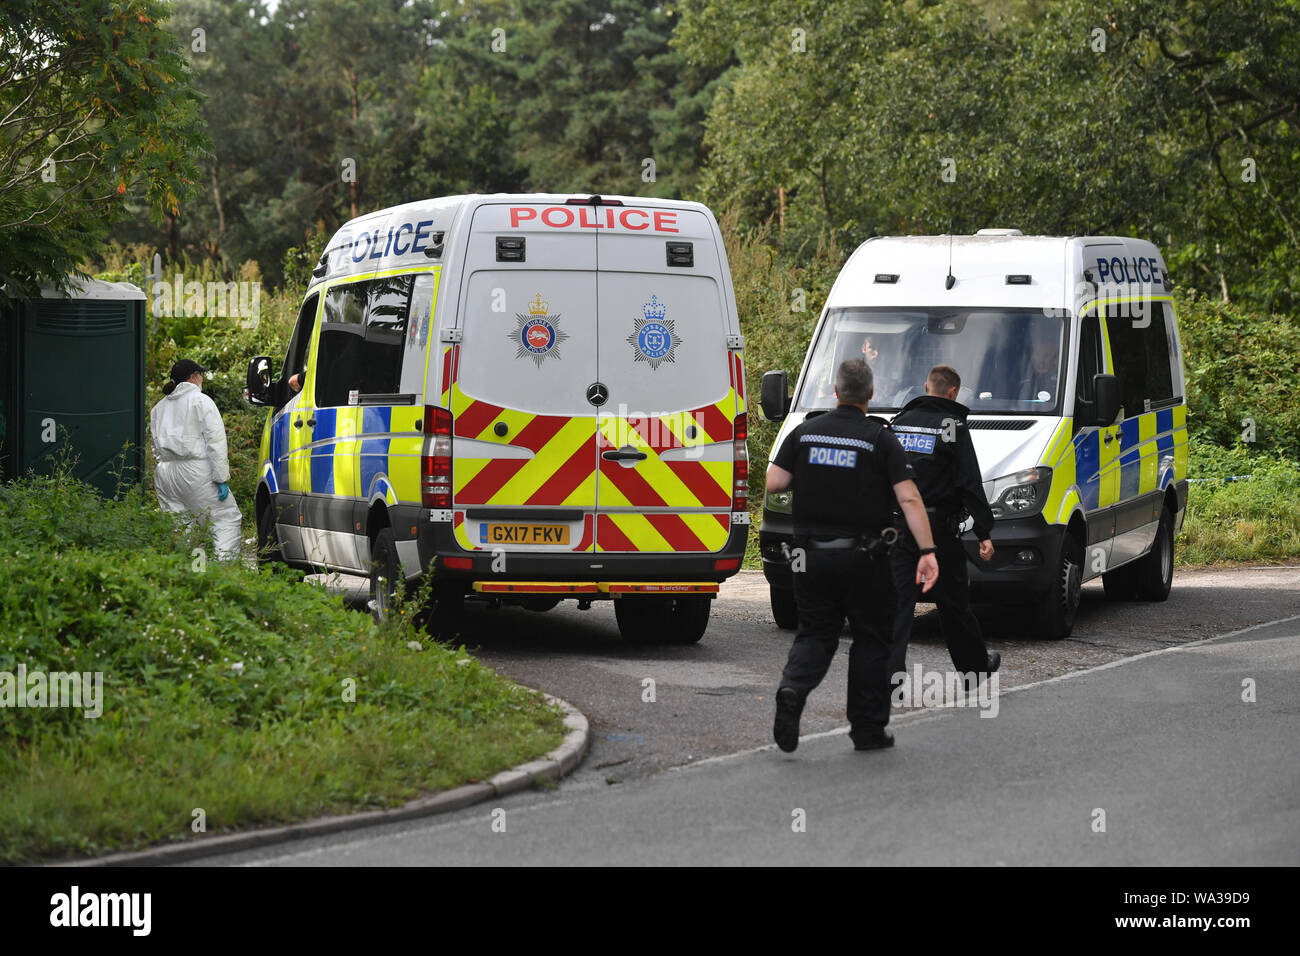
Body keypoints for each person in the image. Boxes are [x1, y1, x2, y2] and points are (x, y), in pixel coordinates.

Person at [768, 358, 940, 753]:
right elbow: (909, 497)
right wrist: (928, 551)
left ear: (836, 392)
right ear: (871, 396)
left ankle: (793, 689)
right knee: (872, 640)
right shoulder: (879, 439)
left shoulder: (805, 433)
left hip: (809, 558)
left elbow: (775, 482)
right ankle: (867, 731)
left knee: (815, 633)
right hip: (866, 559)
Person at [888, 365, 999, 687]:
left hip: (899, 527)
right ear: (953, 392)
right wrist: (984, 531)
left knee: (899, 604)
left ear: (926, 386)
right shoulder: (952, 425)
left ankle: (890, 675)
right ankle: (975, 671)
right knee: (954, 605)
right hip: (938, 530)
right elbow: (968, 482)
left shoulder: (900, 422)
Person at [150, 359, 243, 561]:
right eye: (201, 375)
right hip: (195, 471)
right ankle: (224, 575)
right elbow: (215, 441)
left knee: (185, 528)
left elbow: (155, 446)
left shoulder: (158, 408)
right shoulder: (200, 401)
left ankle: (193, 574)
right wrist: (220, 477)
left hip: (165, 473)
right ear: (193, 377)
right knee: (225, 519)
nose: (202, 379)